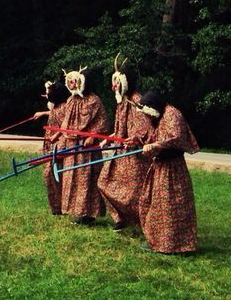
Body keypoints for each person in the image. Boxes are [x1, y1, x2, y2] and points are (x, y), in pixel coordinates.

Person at [136, 92, 199, 255]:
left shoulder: (172, 114)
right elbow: (150, 134)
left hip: (173, 169)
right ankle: (158, 241)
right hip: (160, 166)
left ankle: (177, 245)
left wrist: (156, 145)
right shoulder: (156, 115)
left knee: (171, 206)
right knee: (152, 203)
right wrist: (138, 141)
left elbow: (177, 137)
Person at [97, 57, 154, 232]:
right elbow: (120, 128)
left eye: (117, 82)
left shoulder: (137, 101)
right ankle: (119, 219)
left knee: (134, 193)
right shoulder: (121, 101)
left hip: (135, 155)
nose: (114, 86)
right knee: (103, 182)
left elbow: (145, 128)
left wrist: (135, 139)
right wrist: (108, 139)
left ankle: (145, 223)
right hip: (119, 152)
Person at [54, 67, 108, 225]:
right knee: (72, 178)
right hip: (72, 146)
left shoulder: (94, 101)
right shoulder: (71, 100)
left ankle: (88, 214)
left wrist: (93, 136)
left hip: (87, 149)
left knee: (86, 180)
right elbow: (65, 124)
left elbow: (103, 122)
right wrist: (62, 139)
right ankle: (76, 211)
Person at [37, 80, 71, 215]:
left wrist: (56, 136)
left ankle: (61, 206)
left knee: (53, 174)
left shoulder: (63, 108)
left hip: (59, 145)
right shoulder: (56, 107)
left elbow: (65, 127)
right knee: (48, 176)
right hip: (50, 144)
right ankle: (56, 207)